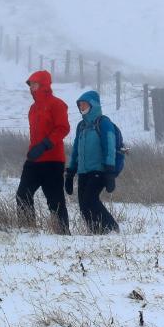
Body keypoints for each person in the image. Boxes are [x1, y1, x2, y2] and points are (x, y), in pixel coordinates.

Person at [16, 70, 71, 233]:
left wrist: (45, 144)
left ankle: (62, 233)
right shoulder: (33, 108)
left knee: (55, 200)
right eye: (30, 84)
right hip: (34, 160)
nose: (32, 87)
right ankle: (28, 231)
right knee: (22, 194)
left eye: (35, 83)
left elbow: (63, 128)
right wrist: (33, 150)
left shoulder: (57, 104)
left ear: (44, 85)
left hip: (53, 160)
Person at [64, 90, 120, 234]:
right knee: (83, 204)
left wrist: (109, 172)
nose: (81, 107)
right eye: (80, 105)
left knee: (90, 199)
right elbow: (76, 150)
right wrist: (70, 173)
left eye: (84, 104)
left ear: (93, 105)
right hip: (83, 172)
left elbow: (110, 146)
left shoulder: (104, 123)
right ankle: (96, 231)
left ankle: (112, 228)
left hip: (99, 170)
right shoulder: (81, 126)